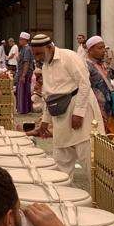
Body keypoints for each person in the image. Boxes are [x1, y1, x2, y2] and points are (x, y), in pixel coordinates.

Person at [33, 33, 100, 175]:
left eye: (39, 53)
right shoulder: (45, 66)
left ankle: (100, 196)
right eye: (35, 54)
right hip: (60, 117)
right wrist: (45, 122)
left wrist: (78, 113)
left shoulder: (68, 57)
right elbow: (48, 96)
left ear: (50, 47)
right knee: (61, 163)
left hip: (80, 114)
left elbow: (84, 84)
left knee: (90, 161)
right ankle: (63, 196)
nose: (37, 57)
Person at [85, 36, 114, 138]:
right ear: (90, 50)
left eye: (104, 47)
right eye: (100, 48)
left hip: (108, 107)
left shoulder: (103, 64)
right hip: (95, 108)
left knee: (110, 138)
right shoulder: (86, 65)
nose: (104, 51)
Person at [15, 31, 35, 114]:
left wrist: (23, 75)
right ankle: (26, 109)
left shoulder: (27, 49)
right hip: (22, 72)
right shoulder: (23, 49)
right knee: (24, 91)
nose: (19, 41)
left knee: (23, 91)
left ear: (25, 40)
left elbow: (26, 63)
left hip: (25, 73)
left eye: (21, 39)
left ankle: (24, 110)